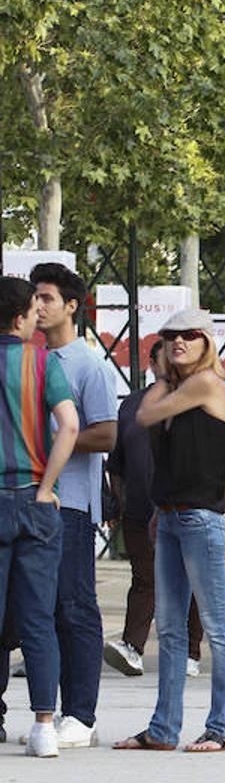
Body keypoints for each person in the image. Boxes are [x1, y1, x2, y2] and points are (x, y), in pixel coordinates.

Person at [114, 309, 225, 753]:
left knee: (218, 627)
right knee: (169, 628)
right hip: (168, 516)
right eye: (170, 337)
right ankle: (163, 729)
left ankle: (221, 729)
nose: (179, 343)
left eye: (190, 335)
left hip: (200, 518)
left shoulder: (206, 384)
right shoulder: (175, 387)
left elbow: (144, 414)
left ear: (208, 342)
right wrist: (167, 375)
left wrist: (166, 376)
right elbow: (150, 420)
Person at [14, 263, 118, 751]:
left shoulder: (88, 365)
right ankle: (48, 713)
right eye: (34, 298)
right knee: (30, 612)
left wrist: (49, 441)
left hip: (71, 503)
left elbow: (106, 432)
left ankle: (81, 713)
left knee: (73, 606)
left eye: (47, 298)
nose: (39, 305)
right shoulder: (27, 359)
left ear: (72, 306)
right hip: (27, 502)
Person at [0, 277, 79, 757]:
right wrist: (48, 487)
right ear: (20, 318)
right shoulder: (44, 362)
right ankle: (45, 723)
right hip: (34, 498)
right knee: (37, 618)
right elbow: (70, 425)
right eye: (33, 309)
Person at [103, 340, 204, 677]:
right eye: (159, 357)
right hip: (138, 510)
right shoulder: (131, 405)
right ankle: (132, 647)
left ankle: (191, 652)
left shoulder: (193, 401)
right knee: (144, 580)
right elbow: (115, 462)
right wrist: (117, 499)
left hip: (184, 510)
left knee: (188, 583)